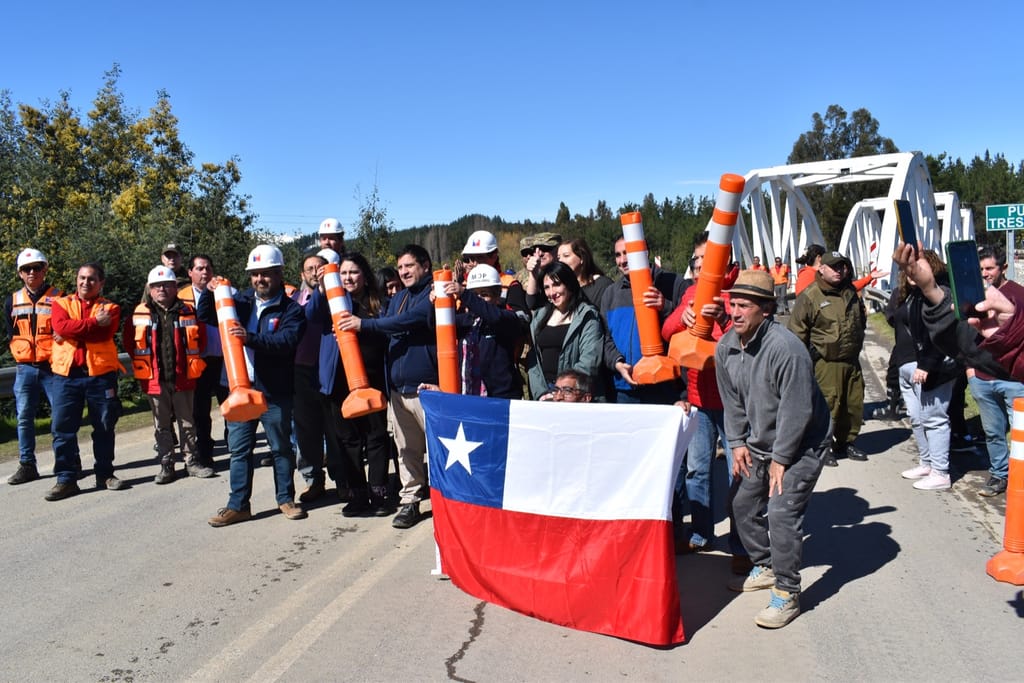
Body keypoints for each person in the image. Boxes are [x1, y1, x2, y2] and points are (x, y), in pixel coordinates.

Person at [715, 270, 832, 629]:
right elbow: (732, 404)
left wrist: (781, 460)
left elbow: (797, 411)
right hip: (760, 442)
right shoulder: (726, 347)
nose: (735, 312)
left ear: (765, 309)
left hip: (803, 445)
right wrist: (736, 444)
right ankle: (765, 564)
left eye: (744, 306)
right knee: (741, 503)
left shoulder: (786, 349)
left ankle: (787, 591)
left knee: (781, 511)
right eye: (732, 304)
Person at [197, 245, 307, 526]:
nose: (260, 279)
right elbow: (207, 317)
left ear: (279, 274)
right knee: (240, 450)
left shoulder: (291, 309)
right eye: (255, 274)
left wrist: (251, 338)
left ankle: (285, 499)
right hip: (238, 389)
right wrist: (211, 293)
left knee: (281, 448)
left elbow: (286, 342)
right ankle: (238, 505)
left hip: (274, 391)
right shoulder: (240, 302)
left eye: (266, 274)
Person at [661, 232, 747, 570]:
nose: (701, 267)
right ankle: (700, 533)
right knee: (697, 470)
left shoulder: (739, 293)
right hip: (697, 398)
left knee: (739, 472)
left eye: (706, 261)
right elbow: (667, 331)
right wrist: (680, 319)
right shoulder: (691, 293)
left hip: (733, 402)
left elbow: (749, 340)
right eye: (696, 262)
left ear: (725, 262)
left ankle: (742, 543)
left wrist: (724, 320)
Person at [338, 244, 436, 529]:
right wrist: (352, 333)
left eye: (410, 266)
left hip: (428, 387)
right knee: (406, 450)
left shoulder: (433, 294)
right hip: (398, 386)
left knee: (438, 448)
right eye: (401, 267)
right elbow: (385, 324)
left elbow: (406, 321)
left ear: (425, 266)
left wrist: (364, 326)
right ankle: (410, 501)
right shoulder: (399, 297)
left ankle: (446, 501)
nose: (404, 271)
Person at [313, 252, 396, 517]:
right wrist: (320, 289)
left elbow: (388, 332)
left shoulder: (378, 304)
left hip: (372, 380)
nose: (348, 278)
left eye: (354, 272)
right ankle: (357, 494)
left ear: (365, 275)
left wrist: (364, 326)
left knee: (376, 437)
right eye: (344, 273)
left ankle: (379, 492)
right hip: (339, 383)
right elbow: (311, 315)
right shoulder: (331, 301)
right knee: (347, 440)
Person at [126, 265, 214, 484]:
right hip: (154, 380)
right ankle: (166, 465)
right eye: (156, 285)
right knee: (161, 424)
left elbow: (201, 340)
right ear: (150, 288)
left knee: (187, 423)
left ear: (175, 287)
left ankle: (192, 462)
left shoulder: (188, 311)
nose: (161, 289)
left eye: (166, 284)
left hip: (183, 378)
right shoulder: (139, 313)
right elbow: (129, 343)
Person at [46, 262, 126, 501]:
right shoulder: (61, 303)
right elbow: (60, 326)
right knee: (62, 429)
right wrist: (90, 323)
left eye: (91, 279)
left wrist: (71, 330)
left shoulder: (110, 307)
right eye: (81, 278)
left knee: (104, 426)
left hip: (99, 375)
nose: (85, 283)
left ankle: (105, 474)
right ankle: (66, 479)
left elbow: (103, 333)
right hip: (66, 375)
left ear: (100, 283)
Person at [885, 250, 958, 491]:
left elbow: (942, 333)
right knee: (917, 418)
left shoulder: (936, 296)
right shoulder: (911, 296)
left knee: (934, 418)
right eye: (908, 268)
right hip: (907, 365)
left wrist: (926, 363)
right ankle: (926, 462)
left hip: (929, 367)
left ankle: (940, 471)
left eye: (916, 266)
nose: (910, 272)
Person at [788, 250, 867, 466]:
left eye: (843, 266)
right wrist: (804, 364)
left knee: (853, 404)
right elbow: (797, 332)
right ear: (821, 268)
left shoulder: (849, 291)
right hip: (825, 362)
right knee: (827, 405)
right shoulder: (811, 296)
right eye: (834, 266)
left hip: (851, 359)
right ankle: (822, 447)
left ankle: (846, 442)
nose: (840, 270)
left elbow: (860, 319)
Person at [600, 234, 688, 404]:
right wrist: (618, 363)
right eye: (618, 255)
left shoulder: (674, 283)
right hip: (624, 389)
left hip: (665, 388)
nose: (622, 260)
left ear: (645, 252)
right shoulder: (610, 294)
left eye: (627, 253)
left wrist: (666, 307)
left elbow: (687, 331)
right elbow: (606, 339)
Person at [966, 245, 1024, 497]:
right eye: (981, 269)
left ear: (1003, 268)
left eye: (990, 268)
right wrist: (970, 371)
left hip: (1013, 380)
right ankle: (999, 475)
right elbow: (966, 336)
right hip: (982, 379)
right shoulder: (974, 295)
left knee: (1021, 435)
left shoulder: (1018, 295)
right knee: (993, 432)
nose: (985, 273)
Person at [422, 263, 525, 399]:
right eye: (475, 294)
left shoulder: (507, 318)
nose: (478, 299)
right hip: (469, 397)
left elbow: (494, 316)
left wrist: (466, 294)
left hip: (499, 398)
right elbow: (433, 327)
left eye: (484, 294)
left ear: (497, 295)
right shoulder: (466, 321)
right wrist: (434, 302)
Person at [5, 248, 62, 485]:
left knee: (61, 417)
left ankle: (67, 461)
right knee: (24, 418)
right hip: (25, 368)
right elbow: (10, 332)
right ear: (20, 273)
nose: (32, 273)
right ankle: (27, 465)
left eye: (37, 268)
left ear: (44, 270)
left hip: (52, 366)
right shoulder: (12, 300)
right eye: (27, 269)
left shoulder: (59, 297)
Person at [525, 261, 604, 400]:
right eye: (547, 287)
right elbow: (534, 361)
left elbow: (589, 360)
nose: (552, 292)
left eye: (556, 285)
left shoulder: (587, 316)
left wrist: (561, 392)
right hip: (544, 395)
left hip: (574, 397)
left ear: (569, 284)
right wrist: (541, 393)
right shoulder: (539, 317)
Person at [178, 254, 228, 468]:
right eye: (199, 268)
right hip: (197, 362)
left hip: (223, 358)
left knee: (228, 405)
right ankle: (205, 453)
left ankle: (236, 446)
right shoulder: (180, 298)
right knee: (200, 410)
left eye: (208, 268)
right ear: (190, 272)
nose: (204, 272)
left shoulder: (223, 292)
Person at [292, 251, 332, 503]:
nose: (316, 272)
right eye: (310, 269)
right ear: (302, 274)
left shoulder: (339, 296)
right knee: (305, 430)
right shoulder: (293, 299)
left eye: (320, 268)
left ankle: (343, 479)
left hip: (330, 369)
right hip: (301, 370)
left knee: (335, 427)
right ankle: (313, 480)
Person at [457, 230, 529, 318]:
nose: (475, 263)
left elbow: (522, 320)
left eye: (480, 257)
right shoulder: (463, 285)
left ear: (494, 256)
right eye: (471, 258)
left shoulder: (510, 284)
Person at [557, 238, 613, 306]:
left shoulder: (603, 285)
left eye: (566, 256)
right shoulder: (563, 290)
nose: (561, 261)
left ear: (581, 258)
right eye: (558, 258)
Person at [522, 232, 563, 310]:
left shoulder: (568, 271)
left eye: (545, 249)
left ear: (558, 250)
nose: (540, 253)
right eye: (535, 250)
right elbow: (532, 303)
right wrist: (533, 273)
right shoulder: (539, 275)